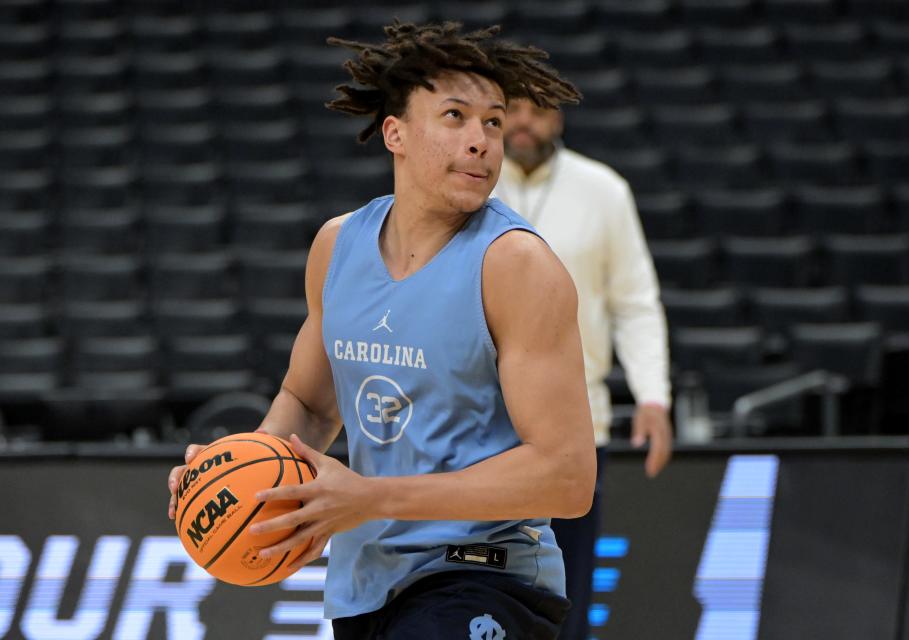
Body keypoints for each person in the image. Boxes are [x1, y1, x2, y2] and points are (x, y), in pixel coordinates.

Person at [166, 21, 598, 640]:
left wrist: (374, 497)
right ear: (394, 132)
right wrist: (235, 477)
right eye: (455, 116)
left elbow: (567, 477)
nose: (481, 141)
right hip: (365, 586)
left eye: (494, 122)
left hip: (485, 578)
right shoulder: (337, 246)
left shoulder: (516, 265)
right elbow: (310, 405)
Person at [494, 98, 674, 640]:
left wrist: (653, 398)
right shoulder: (466, 182)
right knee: (475, 600)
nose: (524, 121)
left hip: (574, 425)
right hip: (477, 426)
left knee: (564, 604)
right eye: (513, 109)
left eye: (538, 109)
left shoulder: (604, 190)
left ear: (560, 118)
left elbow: (636, 303)